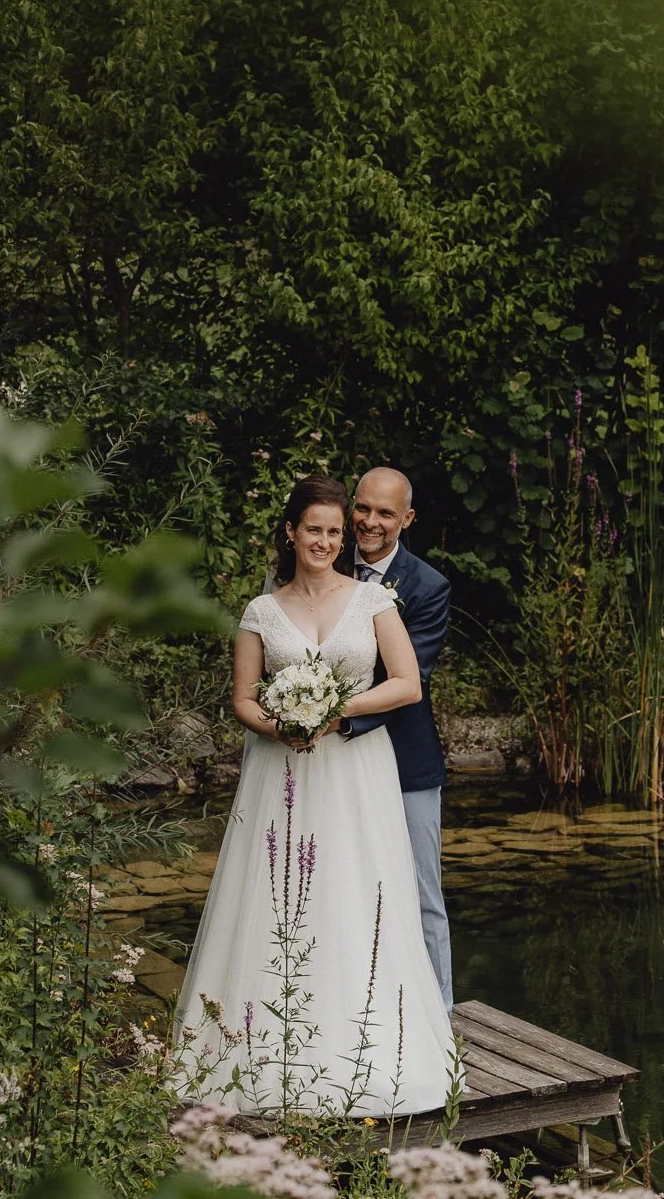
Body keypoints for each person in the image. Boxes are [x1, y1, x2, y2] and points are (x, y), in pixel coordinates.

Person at [175, 474, 458, 1116]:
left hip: (358, 772)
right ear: (291, 532)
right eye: (316, 529)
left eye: (335, 531)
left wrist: (333, 710)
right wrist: (284, 723)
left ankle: (365, 1047)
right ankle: (261, 1052)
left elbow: (408, 684)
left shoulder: (374, 601)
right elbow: (242, 700)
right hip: (283, 773)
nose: (328, 540)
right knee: (277, 898)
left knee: (360, 895)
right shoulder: (260, 611)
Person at [341, 467, 454, 1008]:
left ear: (406, 520)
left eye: (385, 513)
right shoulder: (323, 563)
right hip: (331, 761)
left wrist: (331, 713)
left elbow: (410, 681)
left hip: (405, 761)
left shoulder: (428, 587)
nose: (370, 522)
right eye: (363, 508)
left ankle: (440, 1015)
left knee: (421, 893)